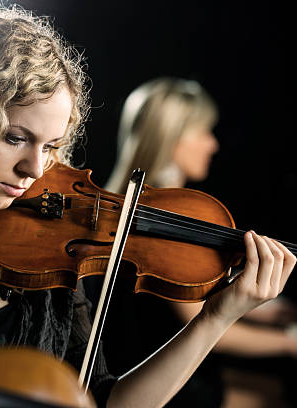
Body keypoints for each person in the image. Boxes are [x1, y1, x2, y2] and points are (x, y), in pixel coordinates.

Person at [0, 7, 295, 407]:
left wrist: (216, 318)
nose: (33, 168)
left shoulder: (49, 265)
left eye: (52, 147)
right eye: (15, 138)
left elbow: (108, 402)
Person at [100, 77, 297, 407]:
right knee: (272, 394)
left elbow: (194, 292)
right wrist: (289, 343)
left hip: (142, 358)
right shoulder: (169, 217)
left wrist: (270, 312)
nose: (213, 144)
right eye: (204, 131)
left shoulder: (132, 203)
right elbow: (198, 320)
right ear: (175, 136)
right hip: (148, 372)